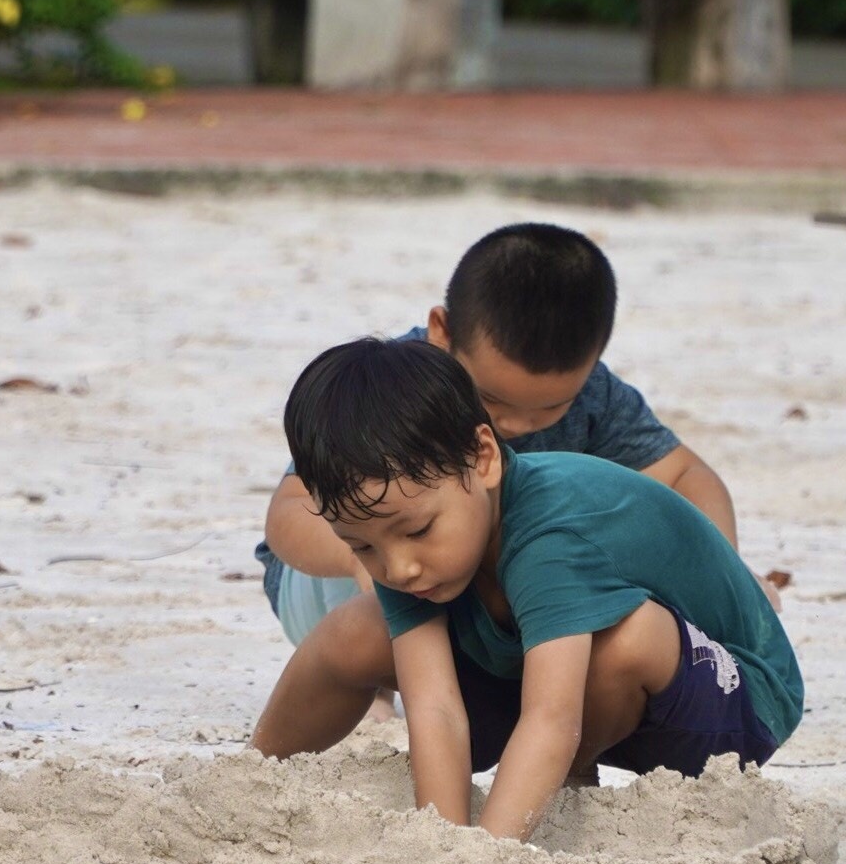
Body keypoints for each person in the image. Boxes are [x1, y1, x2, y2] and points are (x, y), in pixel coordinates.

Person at [253, 221, 765, 751]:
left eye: (549, 408)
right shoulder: (397, 393)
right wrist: (363, 562)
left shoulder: (597, 398)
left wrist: (725, 570)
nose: (516, 425)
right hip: (329, 581)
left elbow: (688, 475)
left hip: (470, 595)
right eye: (493, 401)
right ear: (442, 333)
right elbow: (290, 512)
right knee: (388, 541)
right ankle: (376, 686)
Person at [269, 337, 801, 840]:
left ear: (484, 457)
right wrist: (442, 846)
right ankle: (250, 780)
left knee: (625, 639)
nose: (399, 567)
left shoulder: (553, 531)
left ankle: (572, 777)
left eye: (418, 531)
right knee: (355, 629)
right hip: (554, 686)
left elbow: (551, 717)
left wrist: (486, 861)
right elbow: (435, 709)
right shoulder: (399, 538)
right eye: (362, 547)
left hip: (730, 710)